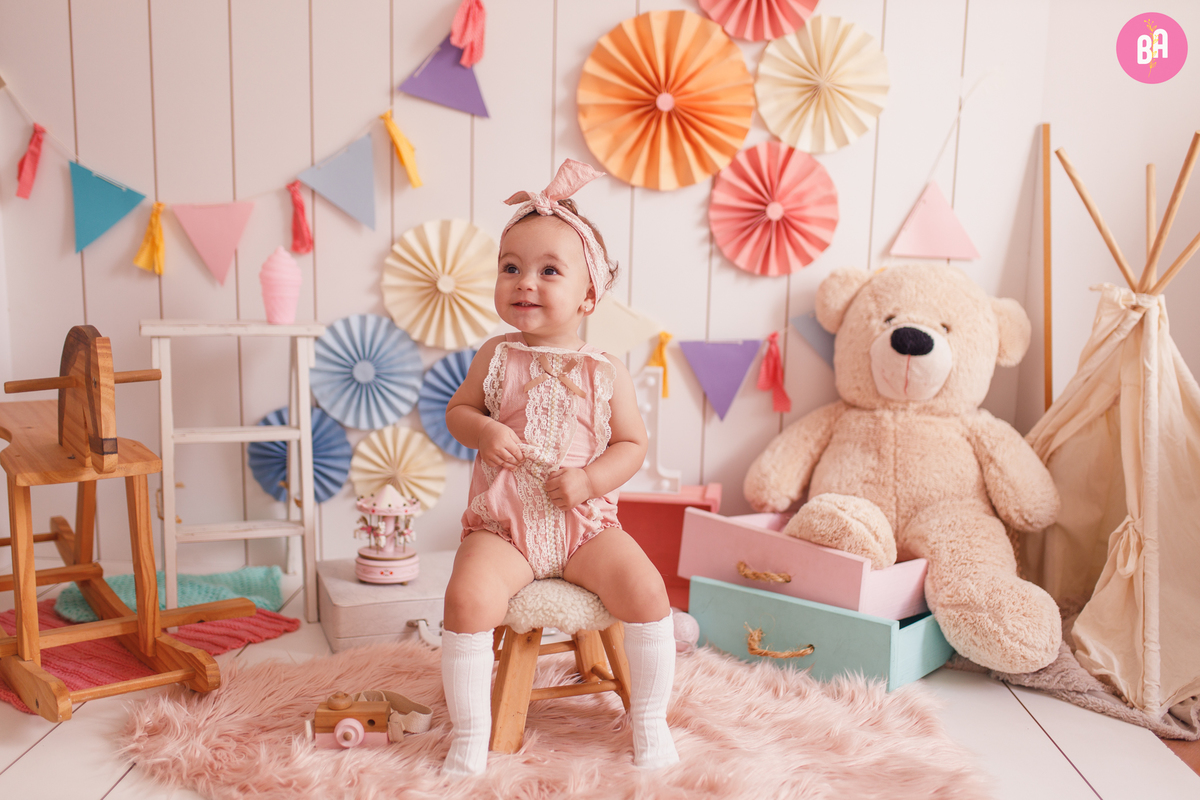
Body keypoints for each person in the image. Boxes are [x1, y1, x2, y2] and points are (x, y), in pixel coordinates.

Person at [439, 159, 679, 777]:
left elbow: (632, 445)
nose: (526, 282)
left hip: (584, 527)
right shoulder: (496, 355)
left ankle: (649, 722)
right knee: (466, 599)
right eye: (511, 268)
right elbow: (458, 411)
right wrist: (485, 429)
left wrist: (591, 479)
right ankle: (470, 734)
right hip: (505, 526)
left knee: (648, 592)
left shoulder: (606, 370)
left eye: (549, 270)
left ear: (589, 293)